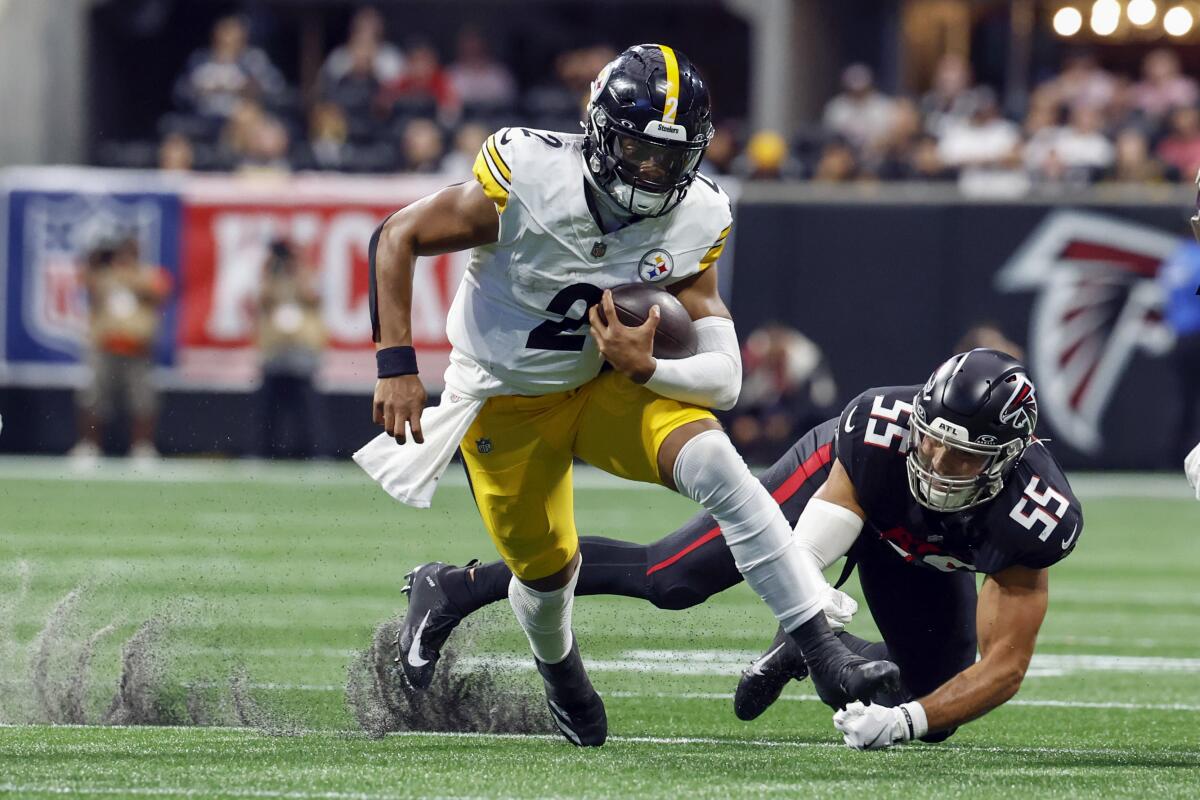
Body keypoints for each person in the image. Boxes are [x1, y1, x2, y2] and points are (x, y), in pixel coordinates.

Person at [361, 44, 897, 748]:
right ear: (599, 131)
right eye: (637, 150)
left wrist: (644, 369)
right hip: (506, 399)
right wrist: (397, 364)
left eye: (669, 159)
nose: (650, 172)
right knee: (547, 578)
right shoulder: (529, 177)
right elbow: (397, 235)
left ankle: (823, 653)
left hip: (608, 383)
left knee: (718, 466)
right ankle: (561, 673)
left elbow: (726, 379)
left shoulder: (697, 217)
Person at [394, 349, 1083, 750]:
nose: (933, 459)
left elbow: (1004, 667)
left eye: (960, 456)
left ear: (1007, 458)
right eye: (929, 437)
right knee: (674, 577)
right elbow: (813, 542)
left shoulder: (1032, 516)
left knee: (938, 706)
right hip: (846, 495)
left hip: (918, 551)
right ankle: (456, 587)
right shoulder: (880, 432)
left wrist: (904, 721)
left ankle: (806, 661)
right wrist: (805, 622)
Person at [71, 235, 172, 461]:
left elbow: (160, 290)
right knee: (94, 398)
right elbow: (84, 282)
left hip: (137, 350)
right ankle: (89, 446)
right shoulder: (104, 276)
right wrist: (96, 259)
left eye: (130, 252)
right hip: (105, 348)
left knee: (143, 401)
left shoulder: (147, 275)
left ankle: (142, 448)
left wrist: (127, 276)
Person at [256, 239, 326, 459]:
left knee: (306, 406)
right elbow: (263, 300)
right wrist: (270, 271)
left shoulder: (306, 273)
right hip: (276, 348)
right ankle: (265, 451)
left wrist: (296, 268)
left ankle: (314, 450)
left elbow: (312, 297)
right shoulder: (270, 277)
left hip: (301, 347)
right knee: (269, 406)